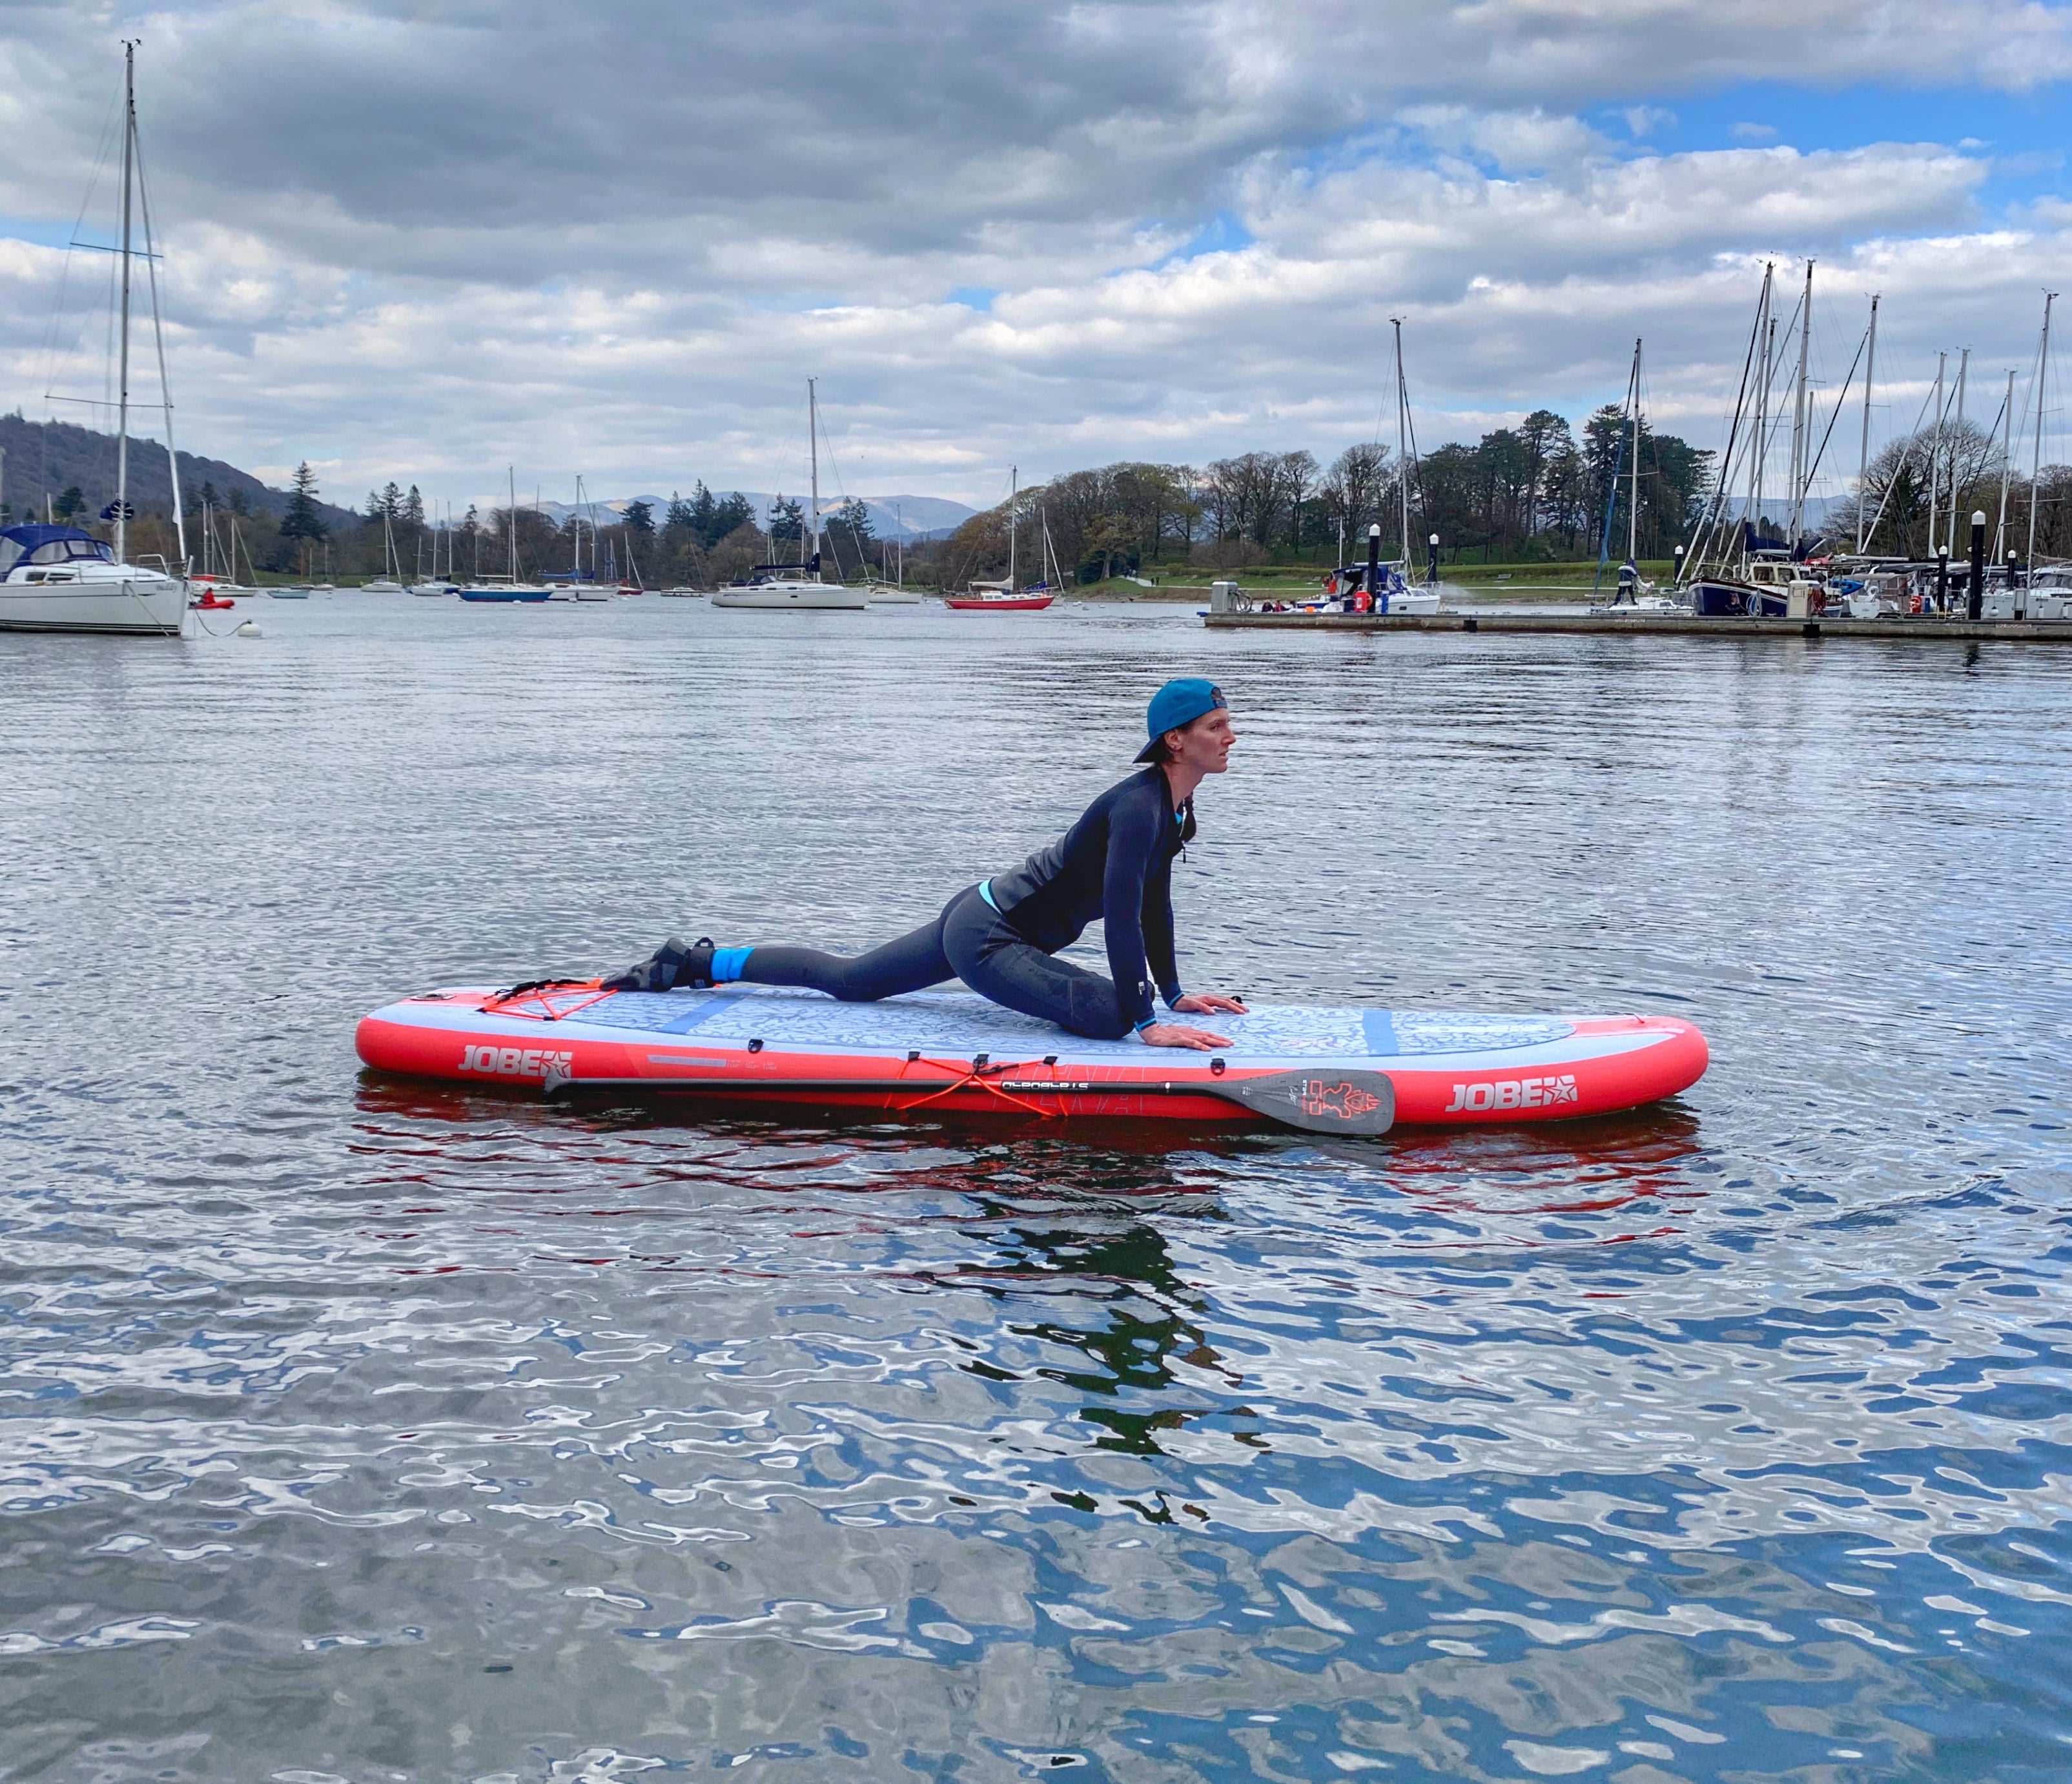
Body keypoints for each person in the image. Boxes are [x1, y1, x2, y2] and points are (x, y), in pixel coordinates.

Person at [602, 679, 1250, 1049]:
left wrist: (1171, 996)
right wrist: (1145, 1022)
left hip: (980, 918)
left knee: (850, 981)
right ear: (1175, 739)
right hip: (991, 938)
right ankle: (694, 963)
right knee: (1111, 1020)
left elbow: (1151, 906)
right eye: (1216, 726)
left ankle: (694, 961)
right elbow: (1121, 923)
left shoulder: (1174, 809)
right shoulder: (1136, 808)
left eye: (1228, 725)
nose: (1230, 736)